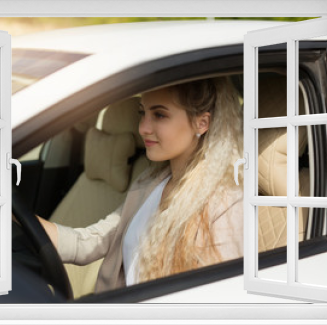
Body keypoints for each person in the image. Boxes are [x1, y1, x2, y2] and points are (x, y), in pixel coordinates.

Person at [38, 76, 244, 293]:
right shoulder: (149, 182)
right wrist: (15, 218)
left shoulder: (226, 203)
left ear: (202, 123)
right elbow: (91, 241)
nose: (143, 127)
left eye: (159, 115)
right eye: (142, 113)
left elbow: (216, 299)